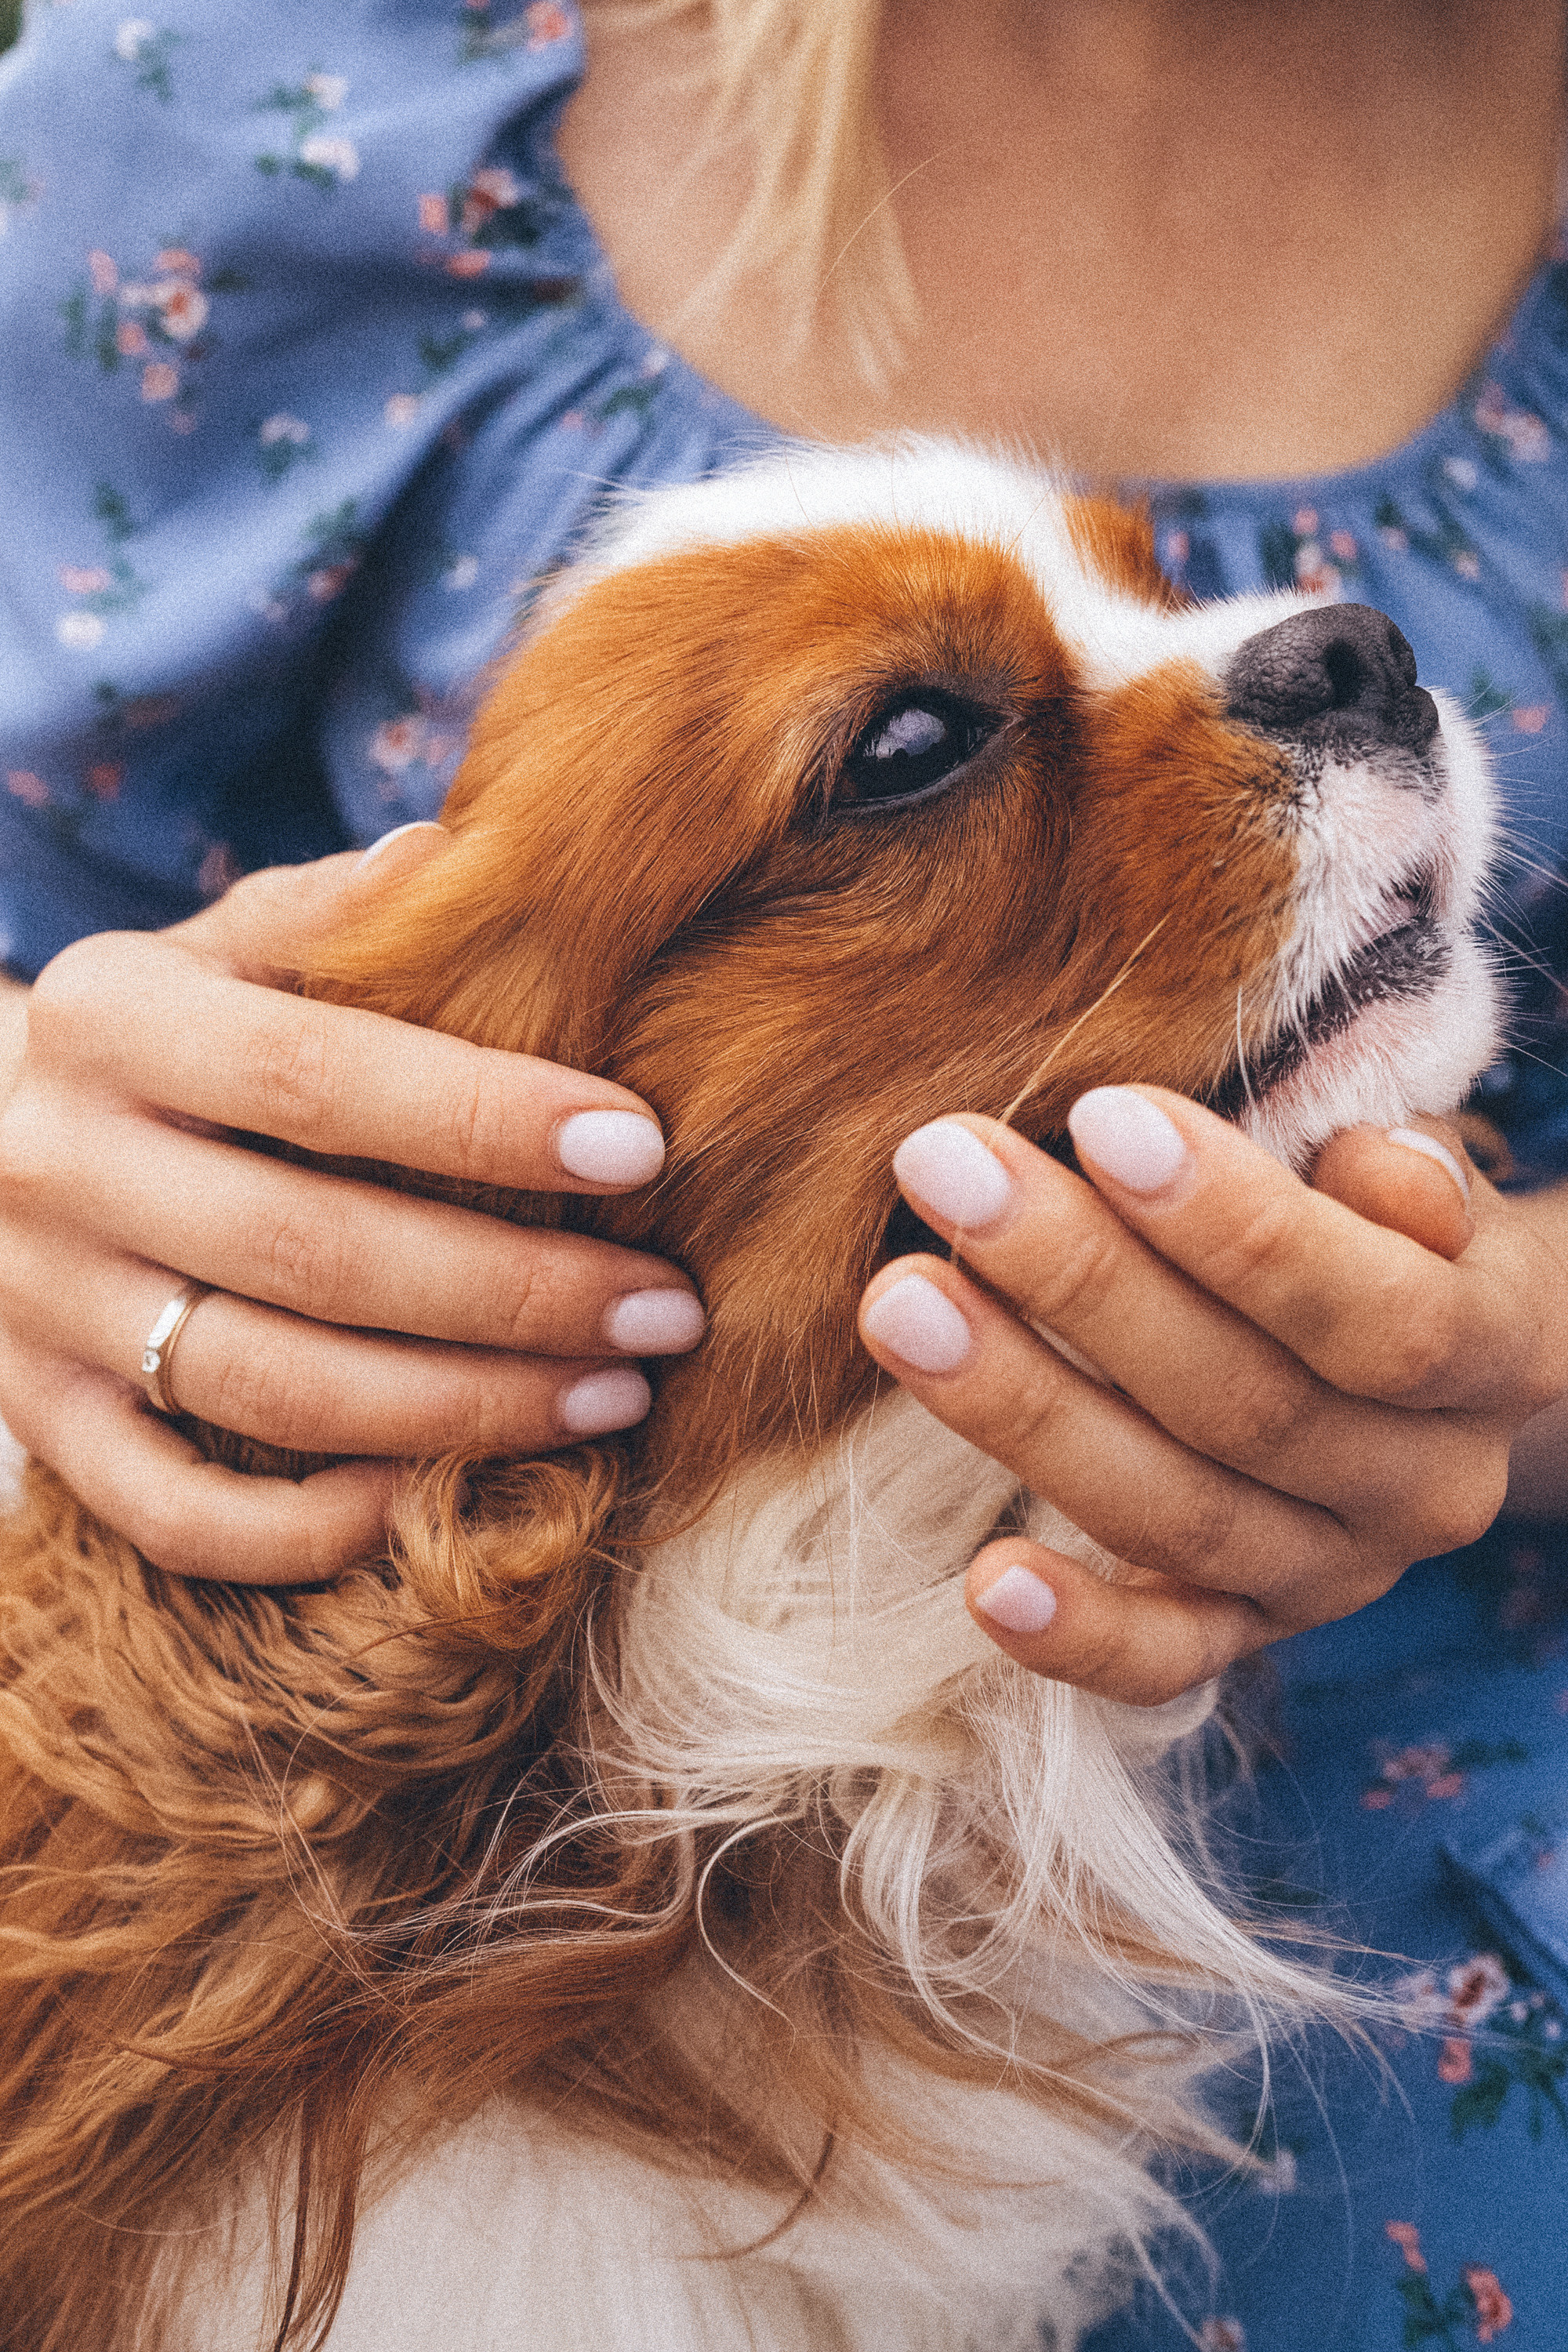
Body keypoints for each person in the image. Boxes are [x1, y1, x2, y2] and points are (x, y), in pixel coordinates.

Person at [2, 2, 1567, 2339]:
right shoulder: (245, 97)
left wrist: (1527, 1351)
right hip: (450, 1819)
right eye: (923, 745)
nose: (1306, 655)